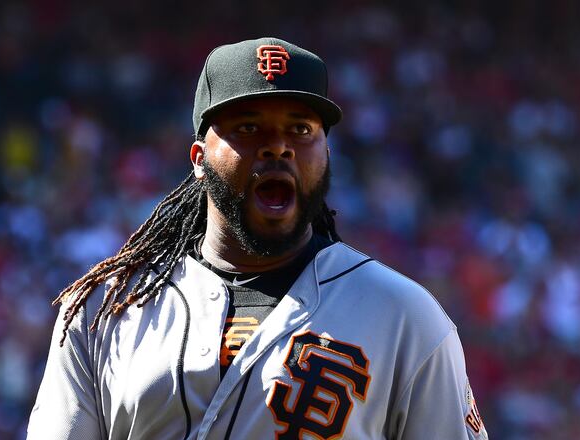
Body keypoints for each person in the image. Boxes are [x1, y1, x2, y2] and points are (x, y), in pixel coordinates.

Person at [27, 37, 489, 440]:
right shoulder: (105, 311)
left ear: (325, 153)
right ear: (198, 157)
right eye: (248, 128)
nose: (278, 145)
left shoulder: (404, 317)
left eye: (300, 129)